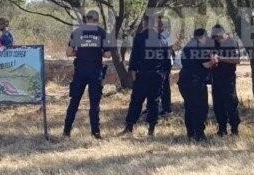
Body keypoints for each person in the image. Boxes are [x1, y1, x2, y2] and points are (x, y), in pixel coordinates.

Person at [63, 10, 112, 139]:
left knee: (74, 101)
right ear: (97, 20)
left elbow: (68, 53)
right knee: (94, 104)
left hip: (80, 71)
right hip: (95, 71)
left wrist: (79, 53)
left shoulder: (77, 32)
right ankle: (95, 133)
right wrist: (97, 52)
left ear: (86, 19)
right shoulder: (102, 33)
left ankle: (66, 131)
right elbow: (107, 54)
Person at [121, 16, 172, 137]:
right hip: (157, 77)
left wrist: (133, 72)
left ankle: (129, 127)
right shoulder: (163, 40)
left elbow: (134, 57)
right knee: (154, 102)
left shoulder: (139, 38)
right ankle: (151, 130)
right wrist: (163, 75)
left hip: (142, 75)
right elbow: (167, 62)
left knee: (136, 101)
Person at [178, 28, 216, 141]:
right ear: (203, 36)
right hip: (196, 82)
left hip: (184, 81)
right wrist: (214, 61)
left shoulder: (187, 46)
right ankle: (199, 134)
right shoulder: (200, 47)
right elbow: (206, 65)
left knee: (189, 107)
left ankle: (190, 133)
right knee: (200, 108)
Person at [210, 24, 241, 136]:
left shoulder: (232, 43)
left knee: (231, 104)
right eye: (213, 35)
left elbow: (237, 60)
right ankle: (222, 129)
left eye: (216, 35)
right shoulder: (213, 43)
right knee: (218, 105)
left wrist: (221, 58)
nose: (214, 38)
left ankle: (234, 130)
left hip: (228, 79)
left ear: (222, 33)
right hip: (216, 79)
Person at [158, 18, 175, 118]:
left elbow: (169, 48)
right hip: (159, 64)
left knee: (165, 86)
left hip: (166, 63)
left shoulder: (167, 35)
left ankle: (167, 108)